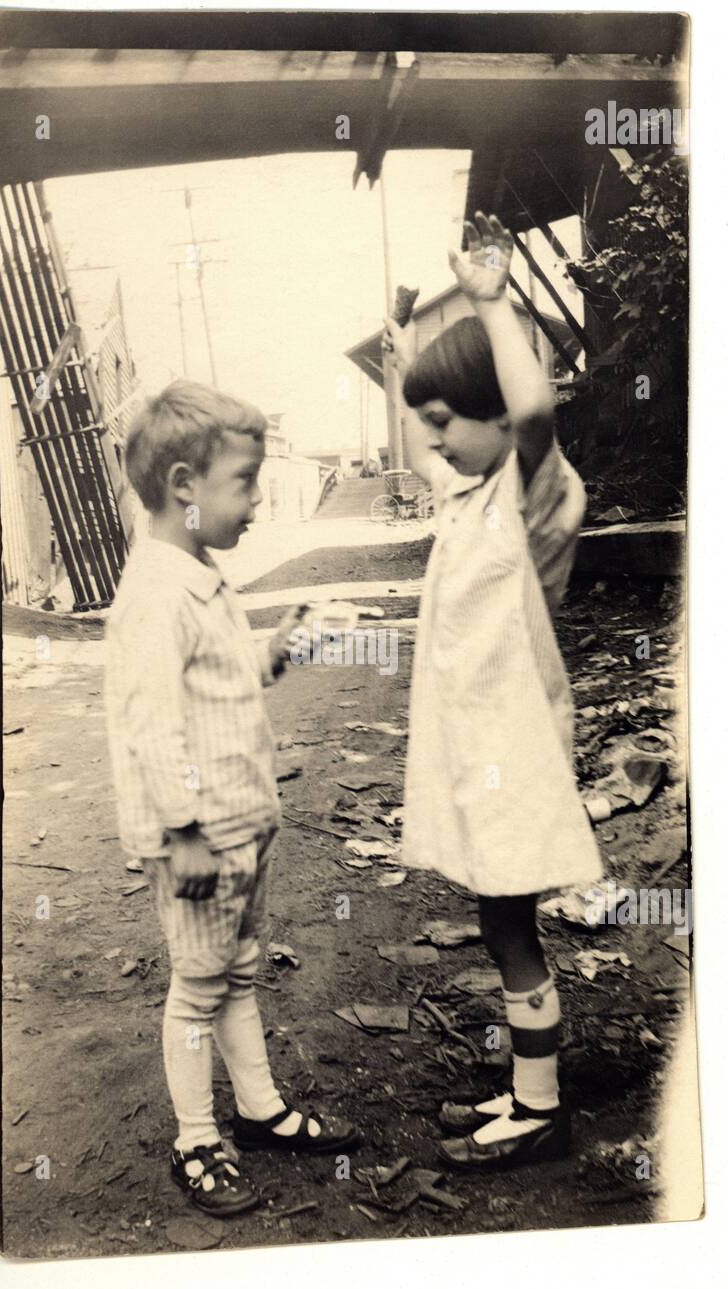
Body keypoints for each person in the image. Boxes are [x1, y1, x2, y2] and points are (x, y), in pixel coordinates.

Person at [105, 381, 358, 1218]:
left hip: (242, 826)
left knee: (236, 975)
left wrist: (278, 648)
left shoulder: (197, 575)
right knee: (196, 987)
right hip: (202, 837)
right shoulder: (155, 592)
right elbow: (152, 724)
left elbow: (219, 682)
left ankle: (258, 1113)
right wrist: (181, 831)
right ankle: (194, 1137)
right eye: (245, 482)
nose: (256, 500)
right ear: (185, 486)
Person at [382, 213, 602, 1172]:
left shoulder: (532, 492)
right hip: (478, 749)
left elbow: (538, 413)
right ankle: (526, 1083)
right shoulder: (467, 493)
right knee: (494, 915)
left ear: (502, 419)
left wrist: (490, 303)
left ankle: (541, 1109)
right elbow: (429, 447)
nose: (434, 440)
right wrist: (406, 369)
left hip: (515, 753)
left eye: (448, 420)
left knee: (510, 924)